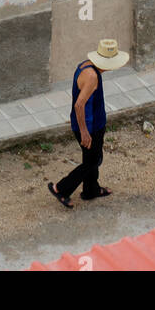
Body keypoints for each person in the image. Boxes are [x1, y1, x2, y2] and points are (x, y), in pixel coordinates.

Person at [48, 38, 129, 209]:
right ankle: (61, 188)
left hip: (93, 124)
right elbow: (79, 105)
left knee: (92, 158)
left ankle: (91, 190)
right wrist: (85, 132)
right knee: (92, 161)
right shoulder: (92, 77)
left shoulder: (85, 66)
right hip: (90, 127)